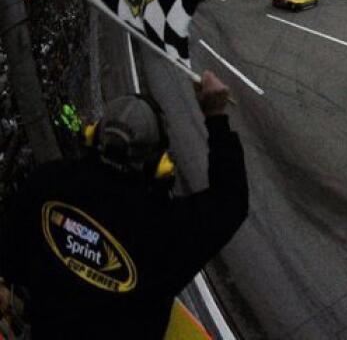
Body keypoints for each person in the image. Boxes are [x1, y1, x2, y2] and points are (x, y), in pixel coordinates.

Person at [0, 70, 248, 339]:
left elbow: (12, 262)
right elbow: (231, 200)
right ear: (156, 164)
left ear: (93, 136)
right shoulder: (164, 228)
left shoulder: (46, 182)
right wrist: (216, 116)